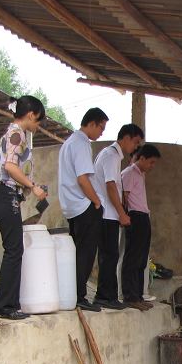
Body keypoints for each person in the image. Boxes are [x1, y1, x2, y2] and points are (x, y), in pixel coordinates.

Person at [0, 95, 47, 320]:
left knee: (14, 249)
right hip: (5, 195)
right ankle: (5, 306)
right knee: (14, 250)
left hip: (6, 195)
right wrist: (32, 187)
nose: (38, 126)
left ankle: (9, 303)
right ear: (31, 115)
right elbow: (10, 167)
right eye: (38, 120)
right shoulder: (17, 134)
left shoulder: (12, 133)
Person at [58, 107, 108, 312]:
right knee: (85, 254)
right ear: (92, 123)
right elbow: (83, 178)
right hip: (83, 205)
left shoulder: (69, 142)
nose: (102, 133)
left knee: (77, 253)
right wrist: (96, 201)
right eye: (101, 127)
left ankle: (73, 294)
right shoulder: (81, 143)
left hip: (72, 206)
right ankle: (79, 295)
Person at [92, 123, 144, 310]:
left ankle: (109, 295)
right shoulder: (111, 155)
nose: (136, 147)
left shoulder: (111, 155)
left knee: (110, 255)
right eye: (135, 142)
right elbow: (110, 186)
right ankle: (105, 296)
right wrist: (122, 213)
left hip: (108, 213)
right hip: (107, 213)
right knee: (109, 256)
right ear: (126, 137)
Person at [121, 144, 161, 311]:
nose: (152, 166)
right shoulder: (129, 173)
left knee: (142, 259)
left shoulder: (140, 174)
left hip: (143, 216)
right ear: (142, 158)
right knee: (133, 257)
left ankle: (138, 295)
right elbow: (124, 197)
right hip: (134, 216)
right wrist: (125, 216)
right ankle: (130, 296)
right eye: (151, 162)